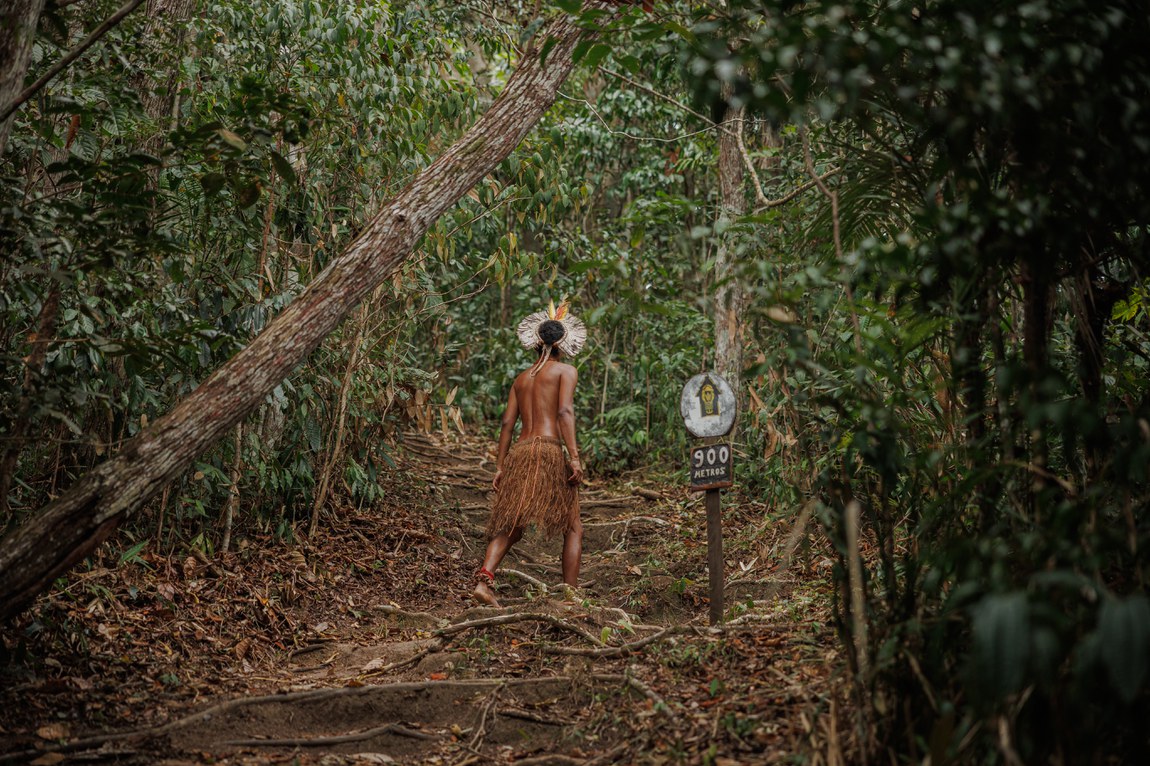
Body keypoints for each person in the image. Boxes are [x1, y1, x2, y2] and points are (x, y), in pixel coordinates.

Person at [473, 301, 587, 606]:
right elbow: (564, 411)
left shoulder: (521, 379)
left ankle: (485, 579)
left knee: (512, 522)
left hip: (521, 453)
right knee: (573, 526)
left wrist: (500, 466)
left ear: (537, 343)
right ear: (564, 344)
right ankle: (570, 596)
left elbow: (507, 423)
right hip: (549, 452)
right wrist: (574, 457)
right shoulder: (566, 371)